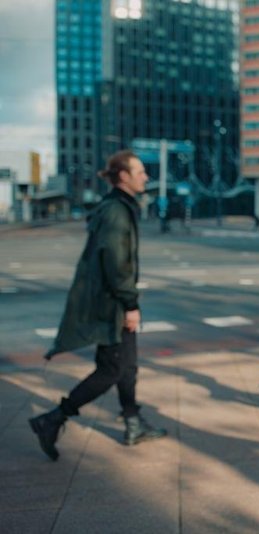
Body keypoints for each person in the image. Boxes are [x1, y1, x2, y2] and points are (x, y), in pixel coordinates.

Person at [29, 150, 166, 461]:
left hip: (111, 303)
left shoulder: (118, 207)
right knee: (111, 369)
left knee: (127, 365)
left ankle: (132, 422)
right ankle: (53, 419)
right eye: (140, 171)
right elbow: (116, 264)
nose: (146, 176)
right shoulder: (117, 211)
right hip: (111, 306)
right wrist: (130, 304)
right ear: (123, 176)